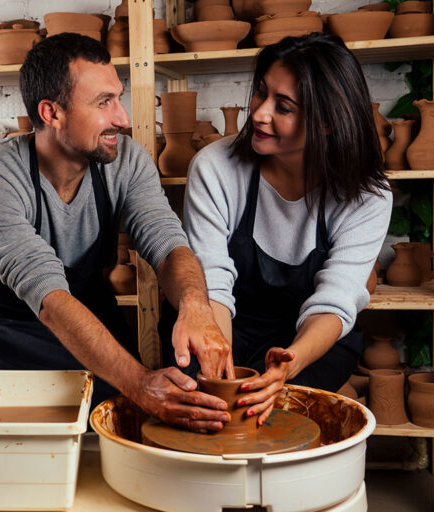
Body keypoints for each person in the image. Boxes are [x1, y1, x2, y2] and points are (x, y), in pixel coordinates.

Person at [0, 33, 234, 432]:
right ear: (52, 113)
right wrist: (139, 383)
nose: (122, 118)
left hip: (94, 321)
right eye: (104, 103)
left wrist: (195, 306)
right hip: (8, 333)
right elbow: (48, 297)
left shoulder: (126, 160)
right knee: (5, 456)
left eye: (118, 98)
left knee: (120, 443)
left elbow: (167, 242)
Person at [168, 33, 392, 426]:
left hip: (308, 337)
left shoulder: (367, 195)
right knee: (203, 403)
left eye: (283, 107)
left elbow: (336, 299)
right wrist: (224, 371)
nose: (258, 113)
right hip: (221, 323)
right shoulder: (215, 168)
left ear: (326, 122)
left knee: (285, 418)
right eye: (260, 92)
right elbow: (213, 284)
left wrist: (288, 366)